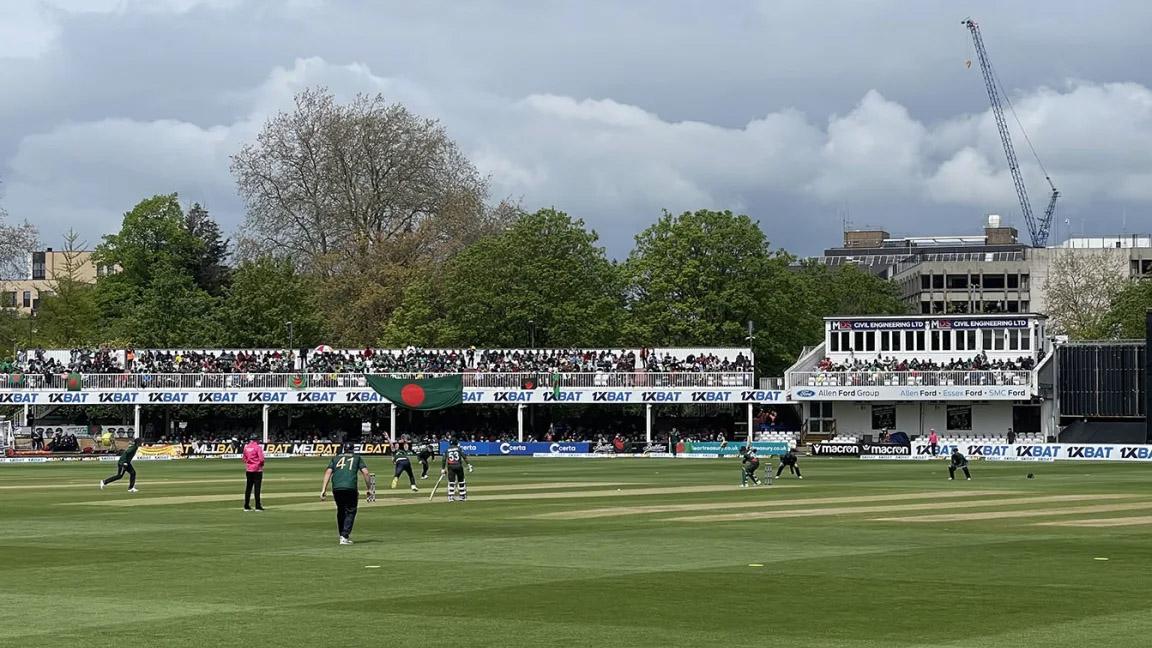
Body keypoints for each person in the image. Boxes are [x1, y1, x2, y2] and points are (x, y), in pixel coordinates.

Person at [320, 443, 371, 545]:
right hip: (350, 487)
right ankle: (344, 536)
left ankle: (342, 535)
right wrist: (369, 488)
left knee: (341, 510)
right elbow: (365, 472)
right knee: (351, 510)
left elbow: (328, 472)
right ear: (353, 449)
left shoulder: (335, 458)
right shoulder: (357, 458)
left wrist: (323, 489)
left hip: (337, 488)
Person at [242, 436, 265, 511]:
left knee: (248, 488)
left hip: (249, 470)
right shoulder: (258, 447)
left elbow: (244, 459)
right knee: (257, 488)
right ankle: (258, 506)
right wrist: (260, 465)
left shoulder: (246, 447)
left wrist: (249, 463)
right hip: (257, 470)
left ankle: (246, 506)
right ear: (256, 440)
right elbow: (261, 459)